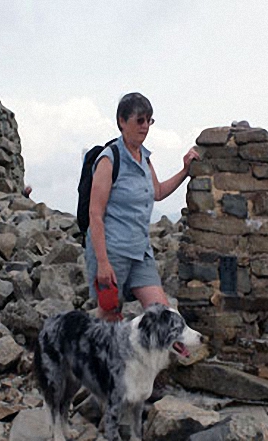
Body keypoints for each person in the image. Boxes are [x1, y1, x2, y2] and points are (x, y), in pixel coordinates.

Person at [86, 92, 200, 322]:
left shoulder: (144, 158)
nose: (146, 126)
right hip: (113, 251)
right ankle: (101, 358)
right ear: (121, 121)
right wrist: (103, 263)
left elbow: (156, 192)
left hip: (141, 252)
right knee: (110, 320)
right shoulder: (109, 160)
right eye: (140, 120)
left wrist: (185, 171)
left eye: (149, 120)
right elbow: (95, 214)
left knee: (162, 315)